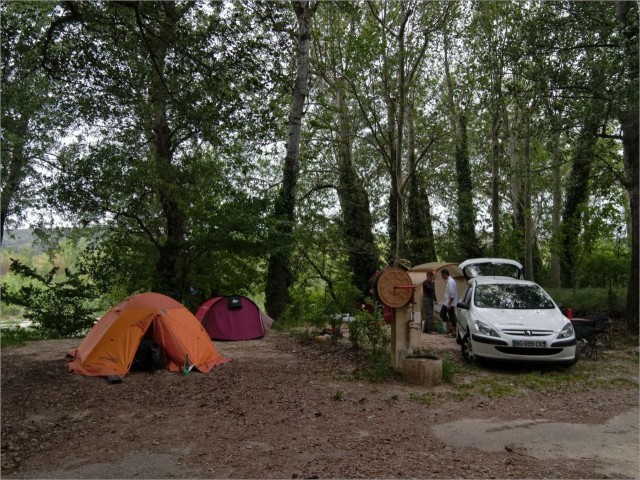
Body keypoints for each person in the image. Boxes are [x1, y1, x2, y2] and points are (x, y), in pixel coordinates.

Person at [441, 269, 458, 337]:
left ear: (445, 274)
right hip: (446, 302)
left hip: (450, 303)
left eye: (442, 275)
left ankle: (453, 332)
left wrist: (449, 304)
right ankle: (449, 327)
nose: (441, 276)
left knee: (451, 316)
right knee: (442, 314)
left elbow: (452, 294)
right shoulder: (448, 281)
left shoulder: (451, 281)